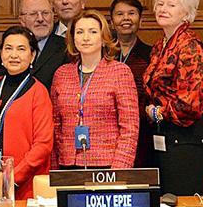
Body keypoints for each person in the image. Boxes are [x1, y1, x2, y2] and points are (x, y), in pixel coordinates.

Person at [142, 0, 203, 195]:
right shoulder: (160, 45)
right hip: (167, 138)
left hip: (189, 141)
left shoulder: (190, 46)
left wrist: (156, 112)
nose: (162, 9)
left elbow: (189, 104)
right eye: (160, 4)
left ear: (186, 12)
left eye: (171, 5)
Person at [51, 11, 139, 169]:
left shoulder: (120, 72)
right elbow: (55, 125)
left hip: (107, 164)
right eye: (80, 32)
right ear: (73, 38)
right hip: (67, 164)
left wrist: (119, 170)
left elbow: (130, 128)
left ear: (104, 38)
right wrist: (55, 168)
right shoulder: (61, 74)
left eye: (92, 32)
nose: (85, 38)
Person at [0, 26, 54, 199]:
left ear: (32, 55)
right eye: (8, 48)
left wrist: (13, 177)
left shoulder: (38, 92)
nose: (14, 55)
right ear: (1, 53)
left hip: (26, 185)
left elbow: (43, 145)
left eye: (21, 49)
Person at [110, 0, 154, 167]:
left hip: (142, 133)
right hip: (107, 131)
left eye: (132, 13)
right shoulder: (102, 54)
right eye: (120, 14)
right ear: (112, 21)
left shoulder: (151, 55)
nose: (125, 18)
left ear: (140, 20)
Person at [19, 0, 67, 88]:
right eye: (33, 14)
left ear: (53, 16)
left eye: (45, 13)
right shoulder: (12, 48)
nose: (40, 19)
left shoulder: (67, 48)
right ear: (22, 21)